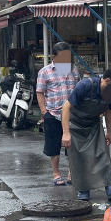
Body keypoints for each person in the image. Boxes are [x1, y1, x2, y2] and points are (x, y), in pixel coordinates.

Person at [61, 66, 111, 202]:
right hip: (76, 125)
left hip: (93, 125)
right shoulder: (85, 85)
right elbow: (66, 108)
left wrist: (109, 131)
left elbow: (109, 111)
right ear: (107, 81)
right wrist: (66, 133)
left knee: (102, 155)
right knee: (80, 158)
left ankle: (110, 188)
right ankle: (84, 190)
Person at [36, 42, 80, 186]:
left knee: (72, 145)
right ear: (54, 57)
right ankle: (56, 174)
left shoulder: (74, 70)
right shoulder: (45, 72)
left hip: (72, 115)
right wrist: (44, 112)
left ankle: (71, 172)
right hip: (53, 114)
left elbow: (78, 90)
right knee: (53, 145)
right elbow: (40, 92)